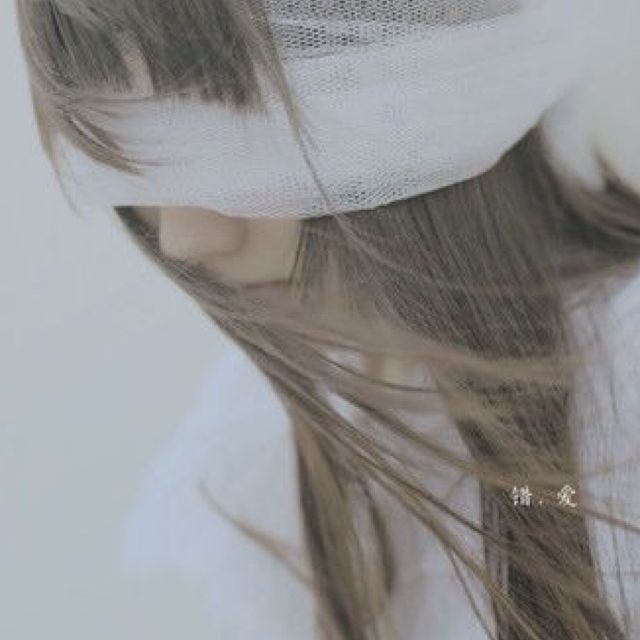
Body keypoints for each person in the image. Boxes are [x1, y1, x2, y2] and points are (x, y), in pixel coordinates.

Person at [14, 1, 640, 638]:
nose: (182, 240)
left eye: (228, 137)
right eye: (130, 151)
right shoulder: (258, 445)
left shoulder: (624, 390)